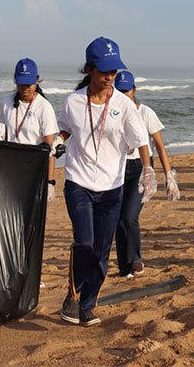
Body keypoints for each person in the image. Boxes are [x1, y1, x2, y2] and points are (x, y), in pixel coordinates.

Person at [54, 37, 155, 327]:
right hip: (78, 182)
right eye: (103, 71)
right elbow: (64, 128)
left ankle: (87, 305)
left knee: (101, 251)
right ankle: (72, 296)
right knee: (84, 242)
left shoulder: (124, 105)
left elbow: (140, 141)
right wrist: (58, 142)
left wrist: (148, 170)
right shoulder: (73, 102)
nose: (109, 76)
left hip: (112, 187)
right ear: (89, 69)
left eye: (114, 71)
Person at [113, 70, 180, 278]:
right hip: (116, 169)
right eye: (120, 91)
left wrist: (169, 175)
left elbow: (159, 145)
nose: (124, 95)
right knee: (117, 219)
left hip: (141, 169)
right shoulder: (112, 112)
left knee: (130, 216)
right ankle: (124, 266)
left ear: (134, 90)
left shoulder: (145, 113)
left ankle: (136, 260)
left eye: (127, 91)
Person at [0, 58, 59, 202]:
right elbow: (5, 136)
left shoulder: (44, 107)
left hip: (35, 170)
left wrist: (50, 182)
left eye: (29, 83)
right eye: (21, 83)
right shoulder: (7, 103)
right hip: (12, 169)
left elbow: (51, 149)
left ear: (37, 81)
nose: (25, 88)